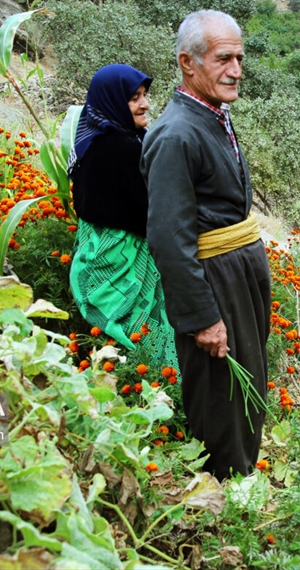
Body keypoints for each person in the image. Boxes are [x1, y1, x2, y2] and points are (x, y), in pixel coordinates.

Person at [141, 10, 271, 480]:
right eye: (223, 59)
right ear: (188, 63)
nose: (235, 70)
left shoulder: (212, 115)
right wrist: (202, 316)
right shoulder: (175, 134)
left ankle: (242, 474)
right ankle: (222, 487)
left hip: (236, 273)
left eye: (239, 57)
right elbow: (169, 238)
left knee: (248, 378)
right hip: (213, 280)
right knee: (221, 390)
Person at [68, 64, 177, 369]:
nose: (145, 103)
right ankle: (149, 382)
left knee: (112, 335)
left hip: (96, 255)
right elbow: (149, 209)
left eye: (144, 95)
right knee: (137, 330)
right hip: (118, 259)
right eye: (134, 98)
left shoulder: (93, 134)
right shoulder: (116, 147)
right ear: (114, 101)